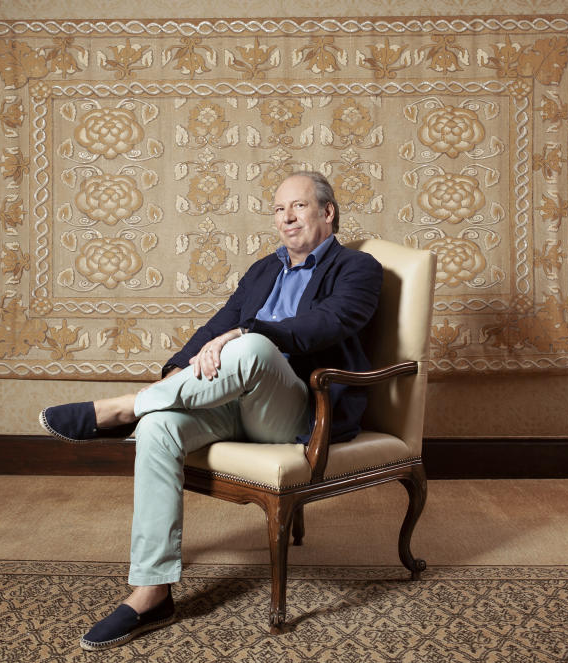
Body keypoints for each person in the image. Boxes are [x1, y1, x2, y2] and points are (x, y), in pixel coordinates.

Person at [39, 171, 383, 651]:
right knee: (160, 427)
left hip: (300, 410)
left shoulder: (357, 268)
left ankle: (121, 409)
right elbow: (218, 323)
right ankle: (151, 592)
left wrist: (248, 336)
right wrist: (175, 370)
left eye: (298, 206)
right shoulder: (265, 268)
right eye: (279, 208)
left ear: (327, 213)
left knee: (252, 346)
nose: (286, 217)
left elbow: (326, 324)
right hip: (236, 401)